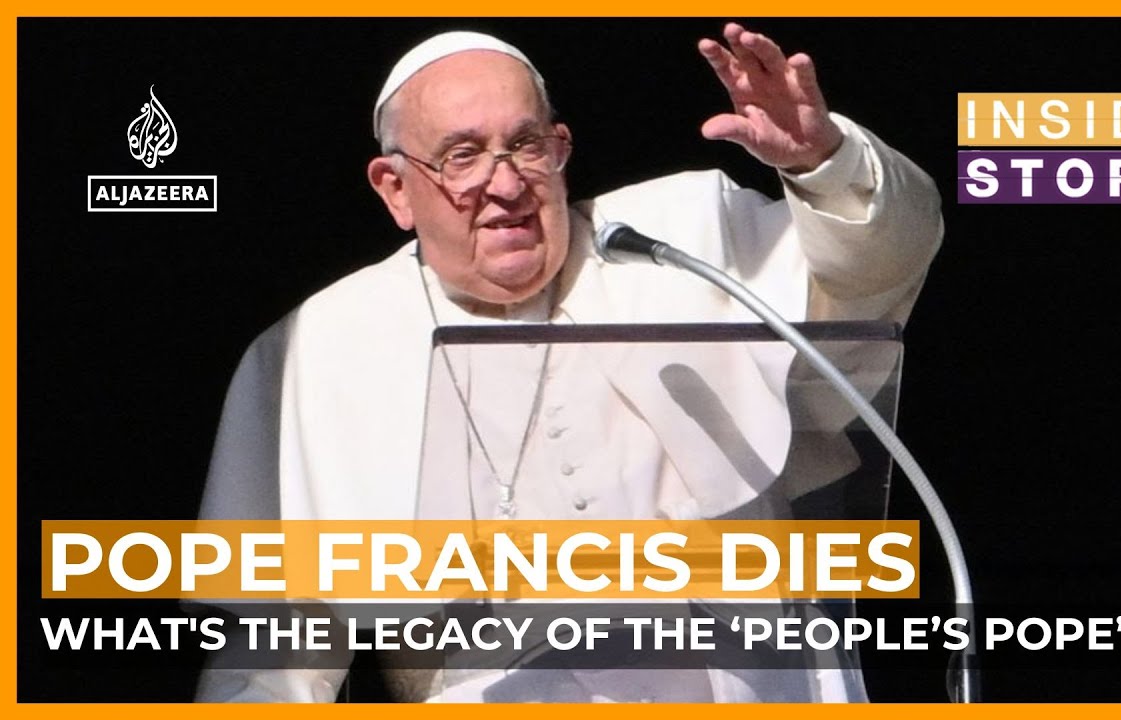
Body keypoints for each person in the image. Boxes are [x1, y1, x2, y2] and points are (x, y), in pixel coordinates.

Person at [195, 23, 942, 703]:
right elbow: (267, 649)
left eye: (527, 145)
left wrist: (824, 165)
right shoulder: (319, 346)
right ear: (396, 189)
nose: (506, 186)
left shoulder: (679, 239)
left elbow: (878, 264)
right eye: (462, 157)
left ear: (561, 149)